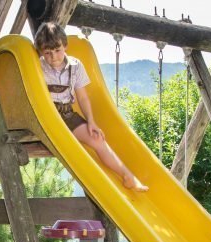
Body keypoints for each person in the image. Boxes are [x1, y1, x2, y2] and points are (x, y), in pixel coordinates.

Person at [34, 22, 149, 192]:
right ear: (41, 52)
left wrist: (91, 122)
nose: (54, 57)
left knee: (97, 139)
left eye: (57, 50)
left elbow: (82, 97)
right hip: (47, 116)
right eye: (48, 53)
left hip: (66, 114)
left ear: (65, 46)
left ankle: (127, 176)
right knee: (68, 145)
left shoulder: (75, 66)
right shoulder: (38, 66)